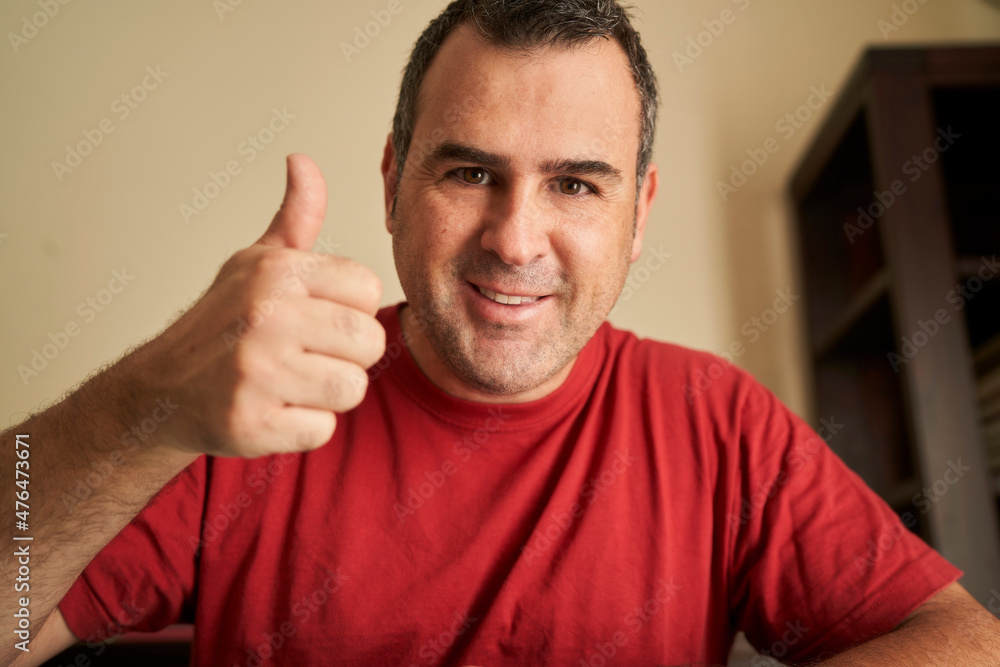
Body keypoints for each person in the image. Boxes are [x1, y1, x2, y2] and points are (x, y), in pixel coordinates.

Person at [4, 1, 1000, 665]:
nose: (516, 239)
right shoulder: (239, 411)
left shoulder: (712, 419)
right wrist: (141, 404)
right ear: (393, 179)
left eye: (574, 184)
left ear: (638, 212)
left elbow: (962, 641)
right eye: (469, 172)